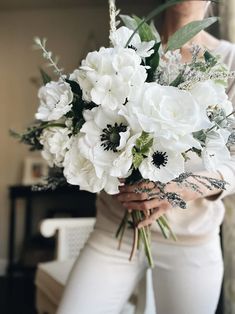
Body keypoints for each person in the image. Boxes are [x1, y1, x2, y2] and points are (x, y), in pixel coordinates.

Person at [57, 1, 235, 313]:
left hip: (190, 241)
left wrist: (181, 190)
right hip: (114, 231)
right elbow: (92, 125)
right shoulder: (125, 47)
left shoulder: (229, 60)